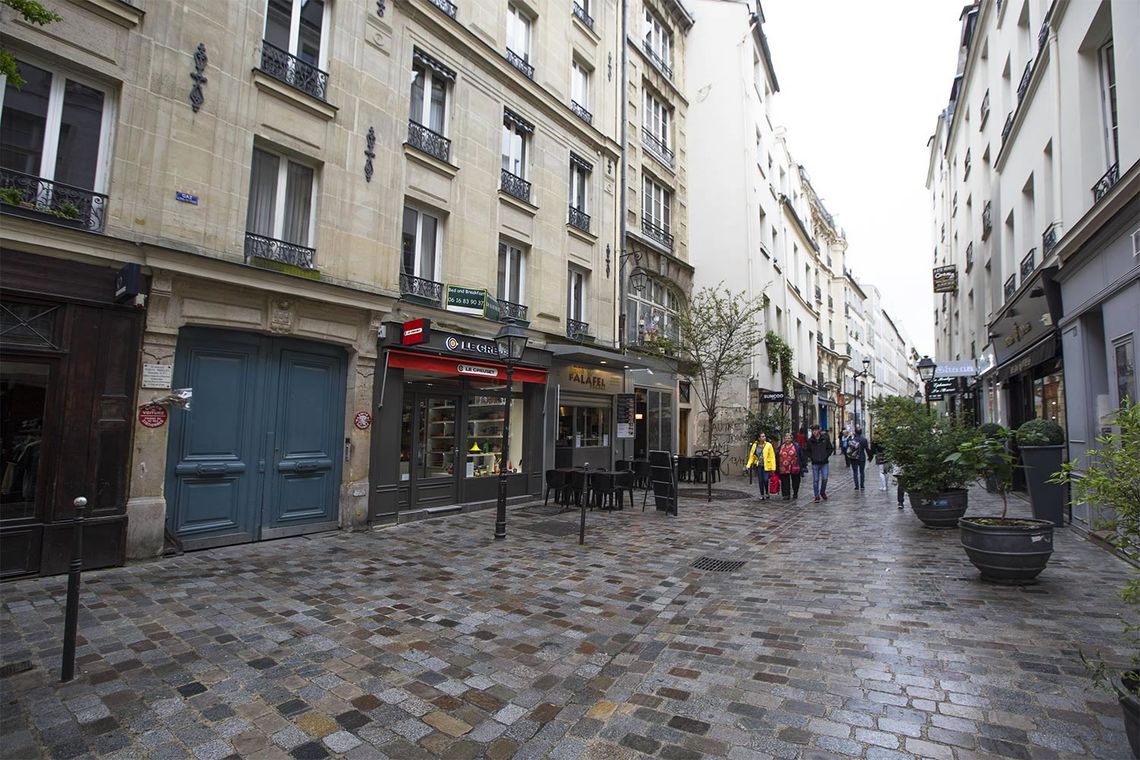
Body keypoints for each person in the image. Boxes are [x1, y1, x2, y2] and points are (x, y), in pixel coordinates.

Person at [805, 424, 834, 502]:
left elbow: (830, 448)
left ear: (819, 430)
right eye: (813, 430)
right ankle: (816, 496)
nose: (814, 432)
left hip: (824, 462)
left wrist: (826, 456)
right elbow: (807, 451)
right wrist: (812, 457)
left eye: (816, 430)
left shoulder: (825, 438)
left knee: (825, 478)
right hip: (815, 463)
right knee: (816, 480)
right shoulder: (810, 441)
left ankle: (822, 491)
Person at [777, 433, 803, 500]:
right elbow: (778, 455)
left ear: (791, 439)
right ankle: (786, 494)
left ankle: (795, 493)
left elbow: (801, 455)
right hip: (783, 467)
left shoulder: (796, 446)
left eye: (788, 438)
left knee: (795, 480)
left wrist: (801, 465)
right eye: (786, 438)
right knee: (785, 481)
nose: (787, 439)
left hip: (794, 466)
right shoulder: (781, 446)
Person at [757, 433, 776, 500]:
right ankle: (762, 494)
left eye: (764, 436)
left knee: (765, 479)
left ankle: (767, 492)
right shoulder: (755, 445)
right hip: (759, 465)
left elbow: (772, 456)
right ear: (759, 438)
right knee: (760, 480)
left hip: (766, 465)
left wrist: (773, 467)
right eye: (762, 436)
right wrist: (749, 464)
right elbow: (752, 455)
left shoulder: (768, 445)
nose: (764, 437)